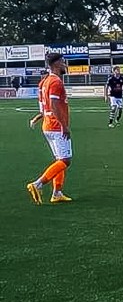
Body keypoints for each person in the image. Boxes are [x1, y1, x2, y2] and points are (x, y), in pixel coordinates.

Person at [26, 53, 73, 204]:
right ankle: (37, 184)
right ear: (56, 64)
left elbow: (43, 108)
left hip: (48, 125)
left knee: (59, 160)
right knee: (65, 160)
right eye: (63, 62)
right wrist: (64, 126)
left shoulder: (44, 82)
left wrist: (37, 118)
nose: (65, 65)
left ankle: (57, 193)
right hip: (56, 126)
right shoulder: (55, 82)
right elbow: (53, 106)